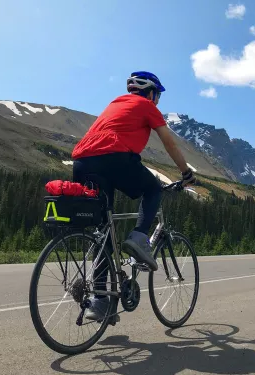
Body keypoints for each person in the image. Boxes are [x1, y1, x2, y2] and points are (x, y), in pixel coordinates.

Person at [71, 71, 195, 321]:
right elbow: (169, 144)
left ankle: (101, 301)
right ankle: (139, 239)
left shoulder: (115, 103)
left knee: (104, 230)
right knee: (152, 189)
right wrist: (185, 172)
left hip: (82, 162)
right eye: (157, 95)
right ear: (150, 92)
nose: (157, 100)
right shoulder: (146, 106)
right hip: (114, 157)